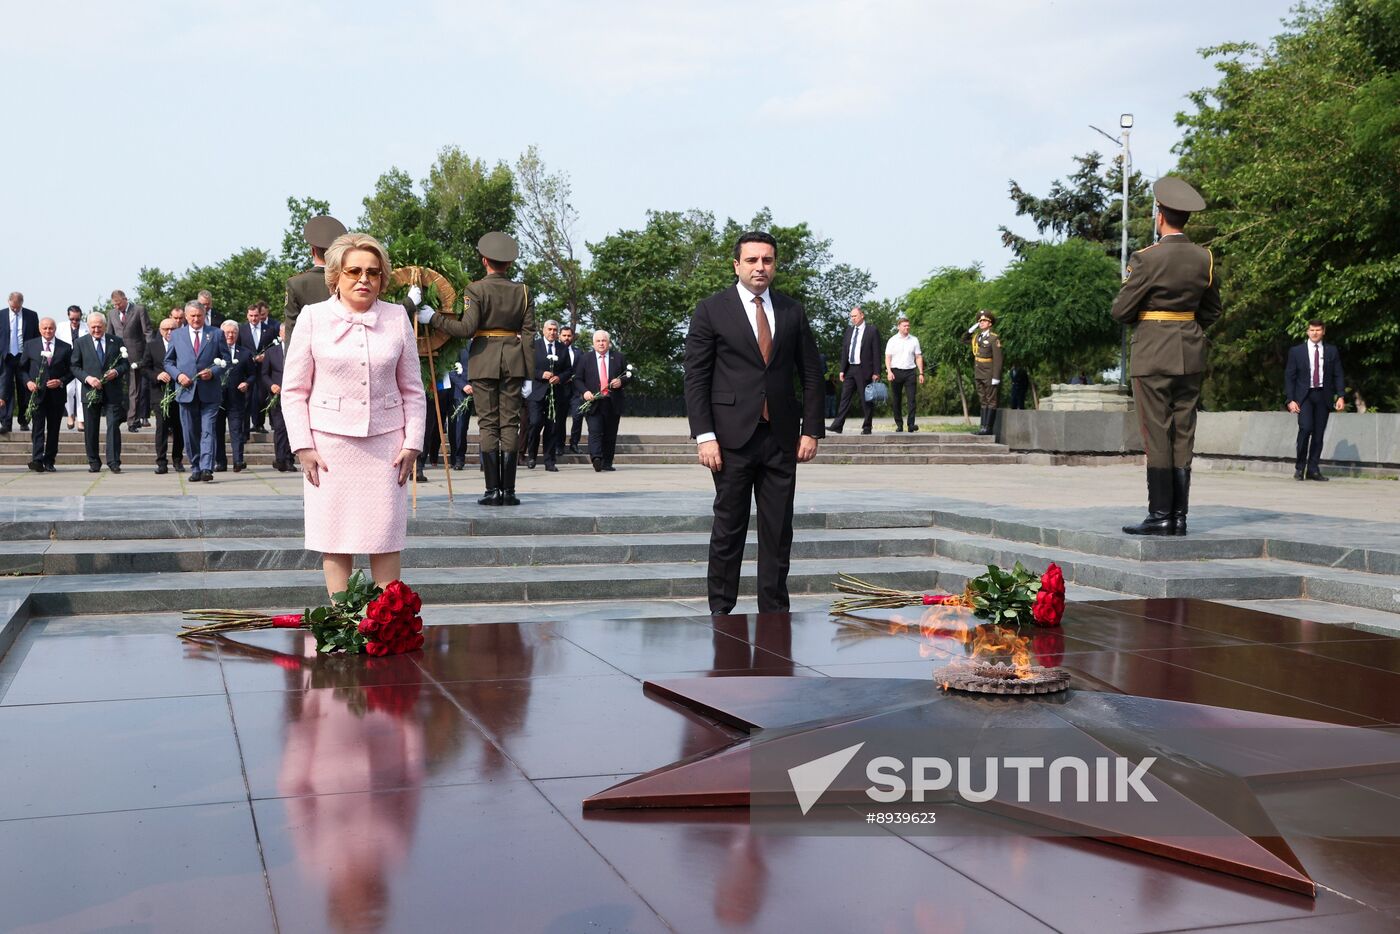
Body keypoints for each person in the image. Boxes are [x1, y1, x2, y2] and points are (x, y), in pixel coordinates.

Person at [684, 230, 824, 615]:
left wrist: (811, 430)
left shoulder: (792, 311)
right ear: (737, 265)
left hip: (781, 438)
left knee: (778, 531)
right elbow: (696, 377)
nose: (760, 267)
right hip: (730, 439)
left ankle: (774, 615)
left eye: (767, 260)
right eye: (752, 260)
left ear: (774, 265)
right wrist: (704, 436)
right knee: (728, 528)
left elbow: (811, 373)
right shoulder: (712, 309)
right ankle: (721, 612)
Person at [282, 232, 426, 597]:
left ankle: (387, 620)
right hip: (329, 448)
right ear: (335, 276)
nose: (364, 279)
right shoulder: (312, 317)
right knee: (334, 538)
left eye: (373, 272)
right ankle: (341, 620)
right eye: (354, 271)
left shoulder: (397, 317)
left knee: (385, 536)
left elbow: (413, 389)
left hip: (387, 447)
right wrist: (303, 447)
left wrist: (412, 444)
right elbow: (294, 390)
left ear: (382, 278)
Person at [1111, 176, 1222, 536]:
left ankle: (1160, 514)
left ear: (1159, 215)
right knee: (1183, 432)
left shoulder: (1146, 258)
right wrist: (1187, 327)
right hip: (1191, 353)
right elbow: (1212, 310)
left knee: (1157, 433)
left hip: (1153, 354)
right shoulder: (1204, 257)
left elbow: (1121, 310)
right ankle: (1179, 517)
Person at [417, 231, 534, 506]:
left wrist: (434, 318)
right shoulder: (523, 291)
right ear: (509, 263)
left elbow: (467, 328)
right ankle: (509, 492)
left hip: (483, 361)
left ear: (484, 261)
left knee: (488, 424)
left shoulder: (476, 289)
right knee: (510, 424)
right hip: (514, 362)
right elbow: (529, 335)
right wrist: (529, 373)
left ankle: (492, 491)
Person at [164, 300, 229, 482]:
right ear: (186, 316)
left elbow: (226, 360)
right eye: (192, 316)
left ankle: (207, 467)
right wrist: (178, 376)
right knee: (190, 432)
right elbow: (168, 362)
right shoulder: (177, 335)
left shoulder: (216, 334)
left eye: (199, 315)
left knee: (208, 430)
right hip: (186, 392)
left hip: (210, 392)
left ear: (204, 315)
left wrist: (213, 372)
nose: (196, 319)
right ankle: (196, 467)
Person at [1285, 319, 1345, 482]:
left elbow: (1338, 373)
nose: (1315, 333)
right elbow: (1289, 377)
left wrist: (1340, 395)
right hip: (1304, 397)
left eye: (1318, 330)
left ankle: (1313, 469)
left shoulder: (1331, 351)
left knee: (1318, 434)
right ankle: (1300, 468)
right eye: (1312, 330)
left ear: (1323, 331)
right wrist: (1290, 400)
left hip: (1323, 396)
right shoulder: (1296, 351)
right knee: (1305, 429)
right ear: (1307, 332)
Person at [72, 312, 127, 473]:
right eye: (93, 327)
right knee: (90, 428)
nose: (96, 330)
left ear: (105, 326)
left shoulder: (116, 341)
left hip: (112, 392)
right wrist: (88, 378)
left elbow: (125, 363)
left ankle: (114, 461)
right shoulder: (80, 342)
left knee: (113, 426)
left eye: (99, 326)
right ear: (88, 326)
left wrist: (116, 371)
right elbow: (74, 366)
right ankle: (94, 461)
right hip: (90, 391)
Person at [284, 215, 347, 349]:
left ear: (312, 250)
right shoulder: (350, 280)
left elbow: (292, 330)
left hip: (310, 353)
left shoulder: (295, 283)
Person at [21, 317, 72, 472]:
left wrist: (61, 381)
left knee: (53, 429)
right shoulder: (30, 345)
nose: (48, 331)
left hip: (56, 396)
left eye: (50, 328)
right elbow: (22, 369)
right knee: (37, 428)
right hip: (37, 395)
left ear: (55, 329)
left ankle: (49, 460)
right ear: (40, 329)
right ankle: (37, 460)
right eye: (45, 328)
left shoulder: (65, 347)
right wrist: (28, 382)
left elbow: (72, 370)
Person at [573, 330, 628, 472]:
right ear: (593, 343)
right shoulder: (585, 359)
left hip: (612, 401)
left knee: (610, 433)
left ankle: (607, 462)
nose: (601, 343)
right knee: (595, 431)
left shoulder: (619, 357)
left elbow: (629, 376)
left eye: (604, 341)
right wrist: (585, 392)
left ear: (609, 343)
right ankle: (596, 457)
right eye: (598, 341)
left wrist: (621, 381)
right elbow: (577, 379)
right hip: (593, 402)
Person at [526, 319, 572, 472]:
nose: (552, 332)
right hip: (536, 392)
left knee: (552, 428)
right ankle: (531, 455)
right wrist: (540, 374)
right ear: (543, 330)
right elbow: (526, 367)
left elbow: (568, 370)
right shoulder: (534, 346)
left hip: (556, 393)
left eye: (555, 330)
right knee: (535, 423)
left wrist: (559, 378)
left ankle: (549, 461)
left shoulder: (562, 348)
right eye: (550, 329)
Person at [826, 306, 880, 435]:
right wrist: (842, 370)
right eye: (851, 316)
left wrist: (877, 372)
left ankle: (867, 426)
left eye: (855, 316)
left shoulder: (871, 330)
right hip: (850, 369)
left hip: (864, 369)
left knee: (866, 398)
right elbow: (845, 350)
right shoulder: (849, 331)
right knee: (845, 397)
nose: (853, 319)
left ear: (862, 315)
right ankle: (837, 425)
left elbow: (876, 352)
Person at [144, 317, 185, 473]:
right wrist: (157, 375)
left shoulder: (184, 344)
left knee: (179, 427)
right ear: (160, 331)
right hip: (159, 393)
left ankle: (177, 460)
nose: (169, 332)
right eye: (165, 329)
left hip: (180, 392)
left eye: (172, 329)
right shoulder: (152, 346)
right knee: (161, 428)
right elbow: (144, 368)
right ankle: (161, 462)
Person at [214, 320, 253, 472]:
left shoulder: (245, 353)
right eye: (227, 332)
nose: (230, 335)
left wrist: (246, 383)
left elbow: (252, 374)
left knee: (237, 431)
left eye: (233, 332)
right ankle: (220, 462)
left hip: (236, 399)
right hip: (217, 399)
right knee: (218, 431)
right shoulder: (214, 352)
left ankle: (238, 461)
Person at [110, 290, 153, 430]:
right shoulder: (111, 314)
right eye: (115, 304)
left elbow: (147, 332)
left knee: (134, 388)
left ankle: (132, 421)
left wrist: (150, 352)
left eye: (119, 304)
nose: (117, 307)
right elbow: (110, 334)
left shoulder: (139, 310)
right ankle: (121, 415)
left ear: (125, 299)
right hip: (117, 356)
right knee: (116, 388)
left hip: (135, 355)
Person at [1, 292, 40, 435]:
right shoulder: (1, 315)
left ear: (22, 303)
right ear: (8, 302)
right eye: (13, 307)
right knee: (5, 390)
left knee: (24, 389)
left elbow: (36, 336)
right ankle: (6, 423)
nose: (15, 310)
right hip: (6, 357)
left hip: (24, 357)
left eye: (18, 307)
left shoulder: (31, 315)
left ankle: (24, 420)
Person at [961, 310, 1003, 435]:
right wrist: (971, 329)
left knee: (991, 400)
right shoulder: (977, 337)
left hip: (989, 373)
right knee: (983, 400)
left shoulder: (993, 338)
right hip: (978, 372)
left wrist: (996, 376)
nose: (982, 323)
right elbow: (963, 339)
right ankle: (982, 427)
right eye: (980, 321)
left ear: (990, 323)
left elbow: (998, 359)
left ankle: (988, 428)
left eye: (984, 321)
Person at [240, 301, 278, 435]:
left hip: (263, 368)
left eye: (256, 316)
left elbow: (274, 347)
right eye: (251, 316)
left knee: (261, 397)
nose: (254, 318)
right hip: (247, 368)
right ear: (247, 316)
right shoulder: (242, 329)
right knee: (247, 398)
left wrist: (265, 356)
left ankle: (259, 424)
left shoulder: (269, 329)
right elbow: (239, 347)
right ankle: (244, 428)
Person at [260, 322, 293, 471]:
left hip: (294, 396)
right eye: (284, 332)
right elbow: (264, 374)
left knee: (291, 428)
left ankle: (289, 459)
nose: (287, 334)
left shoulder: (298, 350)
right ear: (280, 334)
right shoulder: (271, 352)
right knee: (280, 428)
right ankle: (280, 459)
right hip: (277, 397)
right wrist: (271, 385)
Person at [883, 315, 924, 432]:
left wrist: (921, 373)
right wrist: (889, 371)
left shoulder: (914, 340)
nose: (907, 327)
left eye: (908, 326)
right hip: (896, 372)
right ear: (899, 327)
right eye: (904, 326)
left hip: (910, 372)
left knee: (911, 399)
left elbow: (918, 357)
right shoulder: (892, 340)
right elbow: (888, 357)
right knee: (896, 399)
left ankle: (911, 424)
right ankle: (899, 424)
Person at [559, 325, 584, 455]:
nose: (566, 338)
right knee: (560, 419)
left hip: (576, 391)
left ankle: (574, 443)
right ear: (559, 336)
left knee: (578, 416)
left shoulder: (578, 352)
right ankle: (559, 445)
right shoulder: (555, 351)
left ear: (573, 337)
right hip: (560, 389)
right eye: (564, 335)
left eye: (569, 335)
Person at [447, 345, 472, 470]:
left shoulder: (485, 343)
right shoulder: (460, 345)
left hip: (481, 389)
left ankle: (485, 462)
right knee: (460, 427)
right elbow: (451, 369)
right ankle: (458, 459)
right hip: (462, 392)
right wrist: (463, 385)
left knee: (486, 427)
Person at [63, 305, 88, 430]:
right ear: (68, 316)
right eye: (72, 319)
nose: (75, 321)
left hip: (82, 363)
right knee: (69, 390)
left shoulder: (86, 327)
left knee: (80, 391)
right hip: (67, 363)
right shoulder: (61, 327)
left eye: (77, 319)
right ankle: (70, 414)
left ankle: (81, 420)